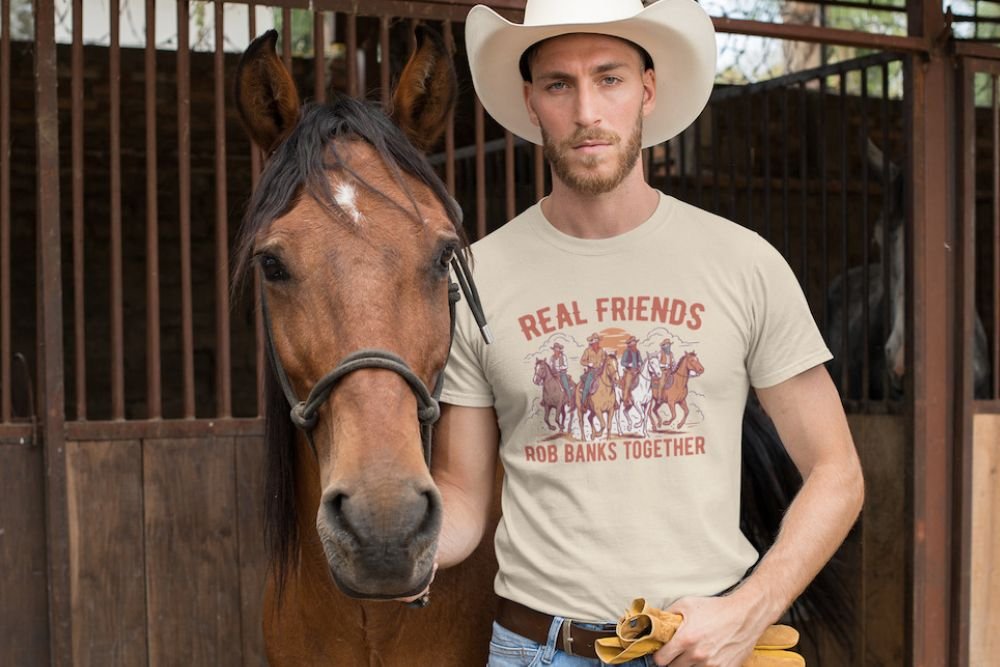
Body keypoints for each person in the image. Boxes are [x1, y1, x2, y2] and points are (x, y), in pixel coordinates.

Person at [431, 1, 864, 665]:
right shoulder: (477, 277)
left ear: (648, 90)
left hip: (704, 648)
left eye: (609, 78)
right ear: (530, 101)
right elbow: (461, 498)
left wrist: (752, 608)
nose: (586, 113)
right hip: (537, 650)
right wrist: (388, 540)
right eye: (558, 84)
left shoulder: (743, 263)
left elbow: (837, 472)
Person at [620, 336, 642, 409]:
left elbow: (641, 360)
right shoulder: (627, 351)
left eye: (635, 342)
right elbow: (622, 362)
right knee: (628, 385)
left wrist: (639, 363)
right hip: (629, 371)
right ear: (630, 344)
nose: (634, 343)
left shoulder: (637, 351)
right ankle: (625, 400)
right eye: (633, 342)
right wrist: (629, 364)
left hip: (637, 371)